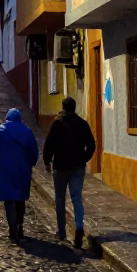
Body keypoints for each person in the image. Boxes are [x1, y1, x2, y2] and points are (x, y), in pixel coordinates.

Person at [43, 97, 96, 248]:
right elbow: (91, 145)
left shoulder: (57, 123)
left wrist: (47, 161)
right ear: (74, 107)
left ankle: (62, 231)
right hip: (78, 168)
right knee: (76, 198)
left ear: (63, 107)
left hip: (60, 167)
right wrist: (83, 158)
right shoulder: (82, 124)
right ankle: (79, 230)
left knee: (60, 199)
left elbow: (49, 144)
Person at [0, 108, 39, 243]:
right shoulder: (27, 132)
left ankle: (12, 228)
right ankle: (20, 225)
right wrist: (32, 162)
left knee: (9, 199)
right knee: (20, 198)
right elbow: (34, 151)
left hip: (5, 169)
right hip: (23, 169)